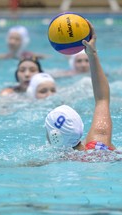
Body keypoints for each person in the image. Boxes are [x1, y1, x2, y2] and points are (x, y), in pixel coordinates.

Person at [45, 21, 115, 151]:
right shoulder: (99, 144)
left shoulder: (55, 162)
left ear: (55, 136)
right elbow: (102, 99)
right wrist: (92, 54)